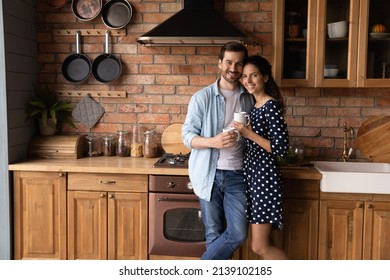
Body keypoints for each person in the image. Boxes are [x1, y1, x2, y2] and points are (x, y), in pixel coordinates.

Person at [182, 42, 255, 260]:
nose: (233, 68)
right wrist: (213, 141)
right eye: (229, 62)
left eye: (238, 63)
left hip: (238, 175)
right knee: (213, 234)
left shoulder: (249, 98)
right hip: (208, 175)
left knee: (238, 234)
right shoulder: (201, 98)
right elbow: (187, 137)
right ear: (220, 63)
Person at [233, 55, 289, 260]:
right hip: (254, 178)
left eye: (253, 75)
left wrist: (249, 134)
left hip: (265, 179)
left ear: (265, 77)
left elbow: (281, 149)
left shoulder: (270, 106)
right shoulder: (255, 106)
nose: (248, 80)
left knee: (259, 247)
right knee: (262, 245)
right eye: (245, 76)